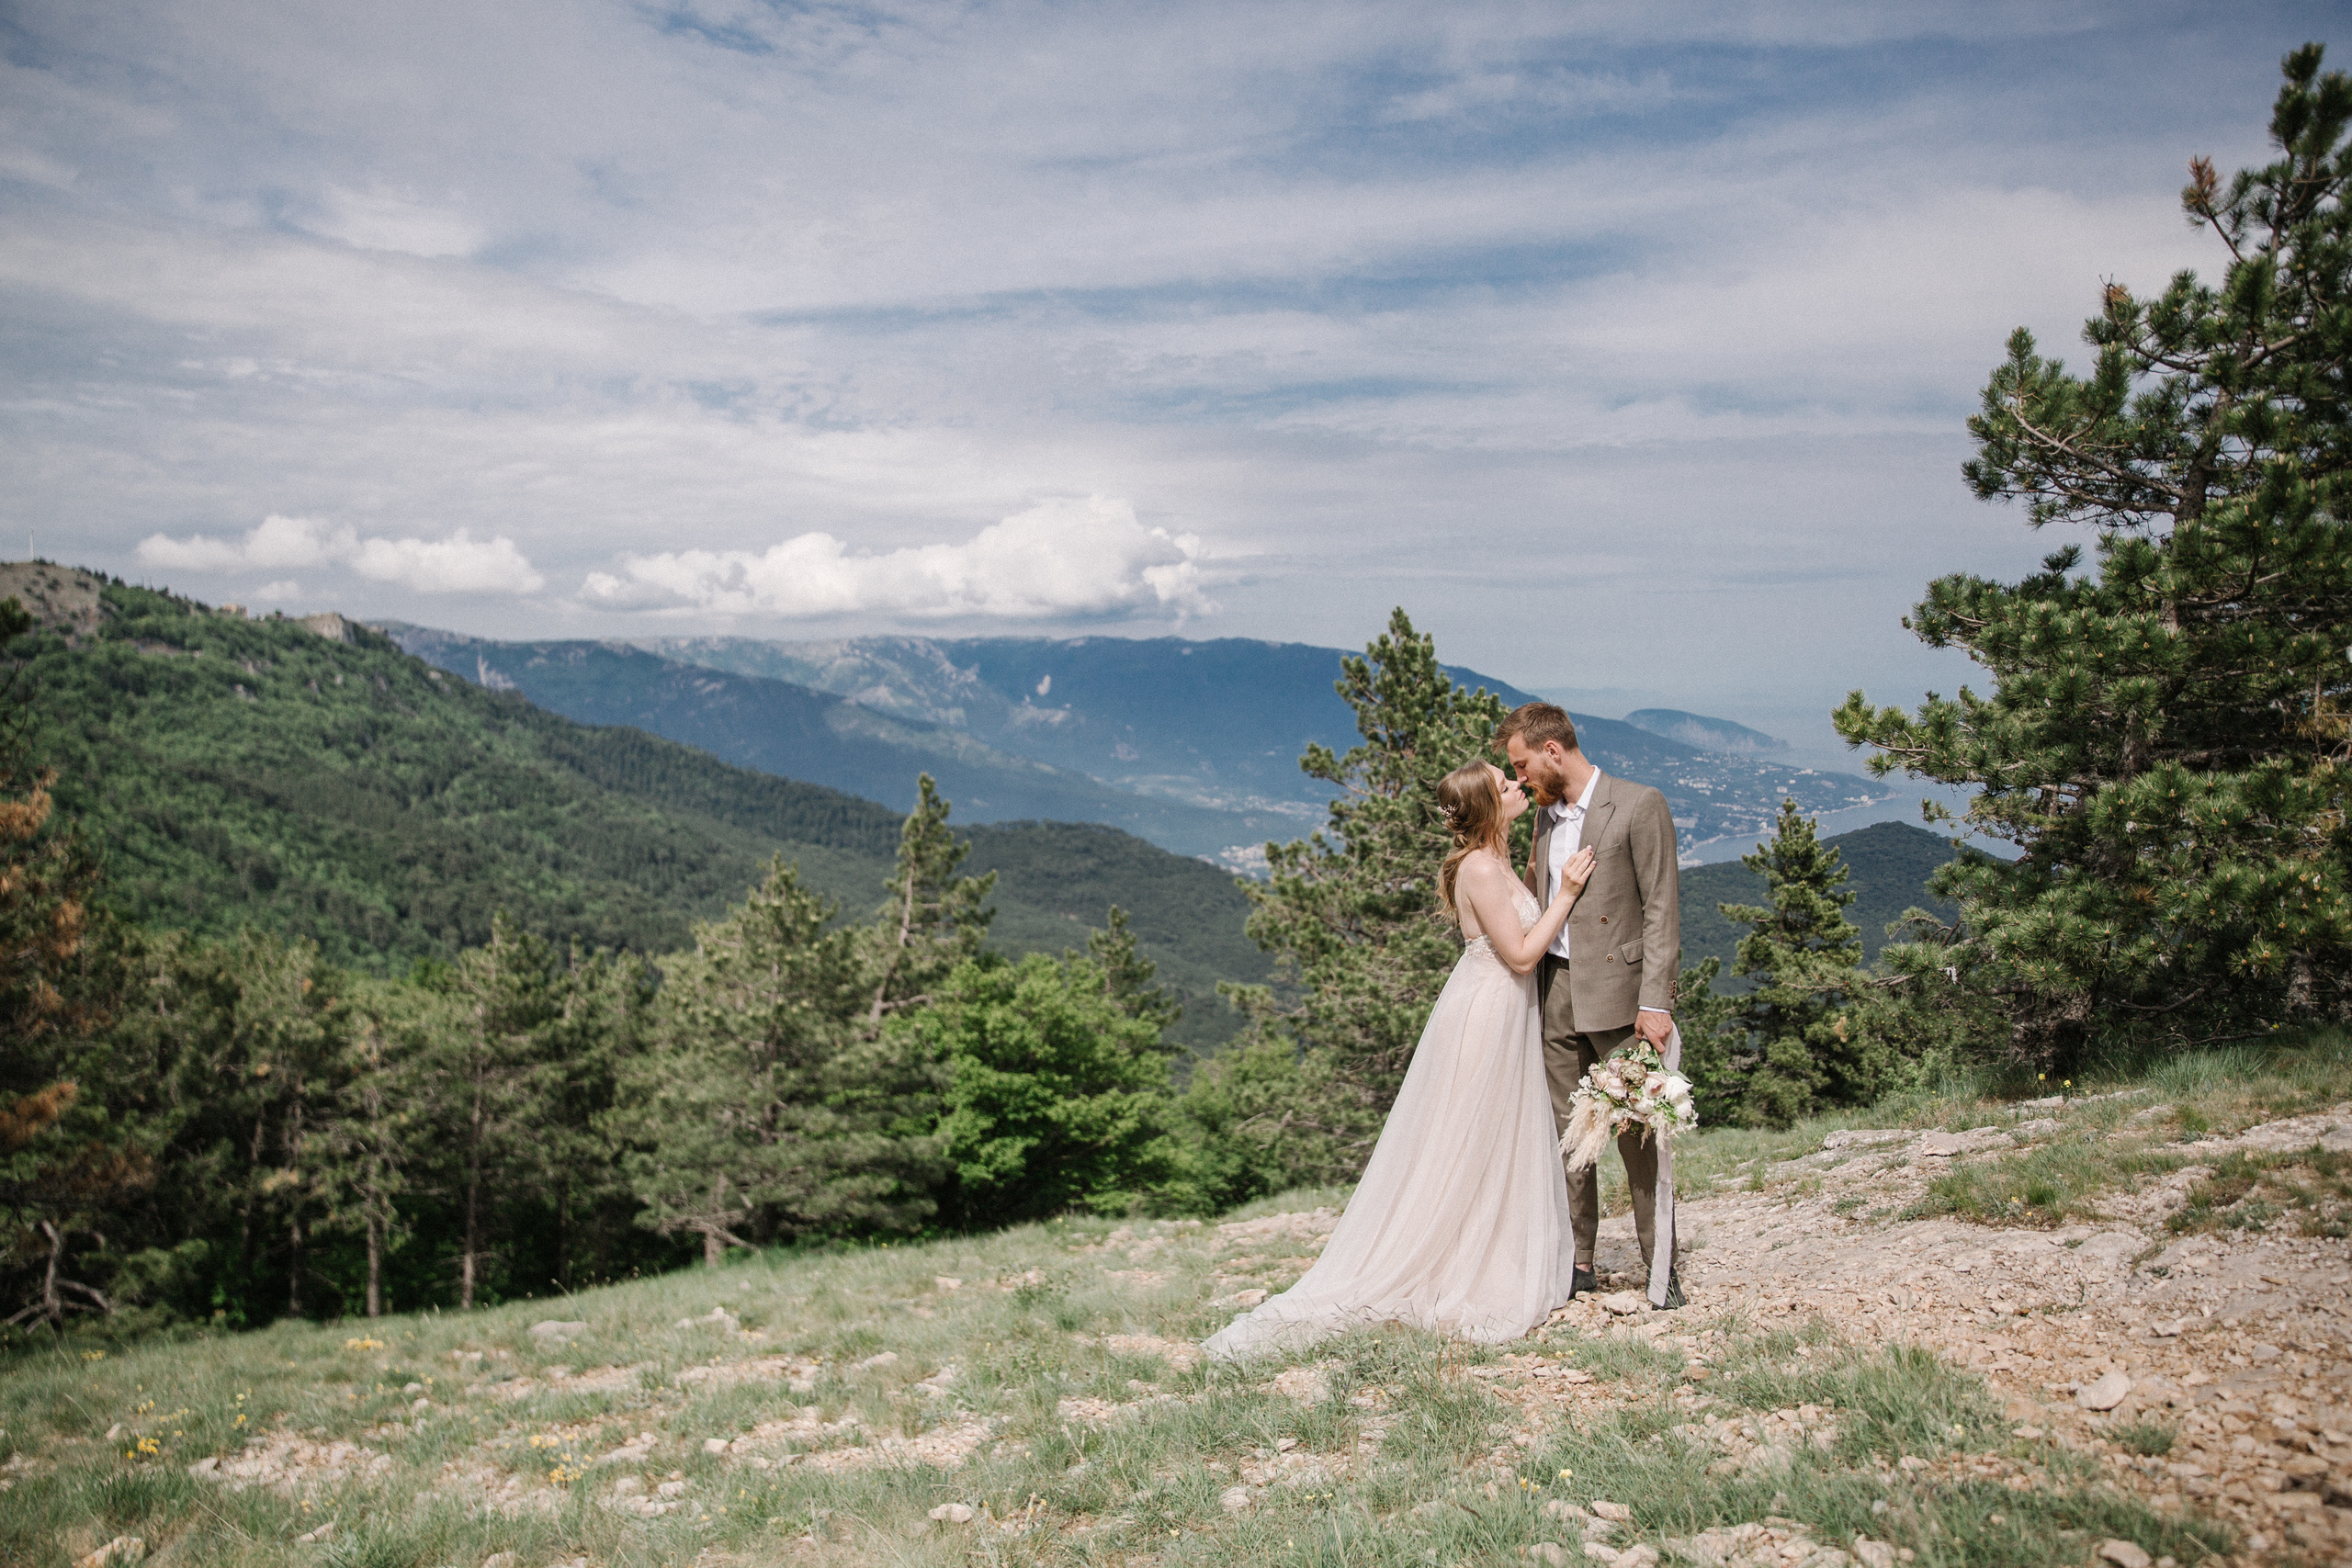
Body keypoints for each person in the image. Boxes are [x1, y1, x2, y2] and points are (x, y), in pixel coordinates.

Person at [1203, 760, 1595, 1360]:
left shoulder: (1497, 859)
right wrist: (1566, 895)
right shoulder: (1482, 868)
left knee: (1491, 1138)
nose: (1518, 786)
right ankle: (1454, 1260)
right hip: (1488, 1012)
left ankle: (1488, 1247)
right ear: (1490, 806)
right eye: (1505, 783)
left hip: (1502, 1009)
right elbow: (1519, 956)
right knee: (1468, 1136)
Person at [1498, 702, 1683, 1306]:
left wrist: (1656, 1002)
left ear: (1552, 751)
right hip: (1558, 995)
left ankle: (1661, 1268)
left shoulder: (1638, 803)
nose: (1522, 779)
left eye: (1523, 766)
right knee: (1566, 1137)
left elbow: (1661, 910)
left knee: (1636, 1134)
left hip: (1625, 1002)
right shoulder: (1546, 816)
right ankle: (1578, 1260)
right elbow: (1537, 899)